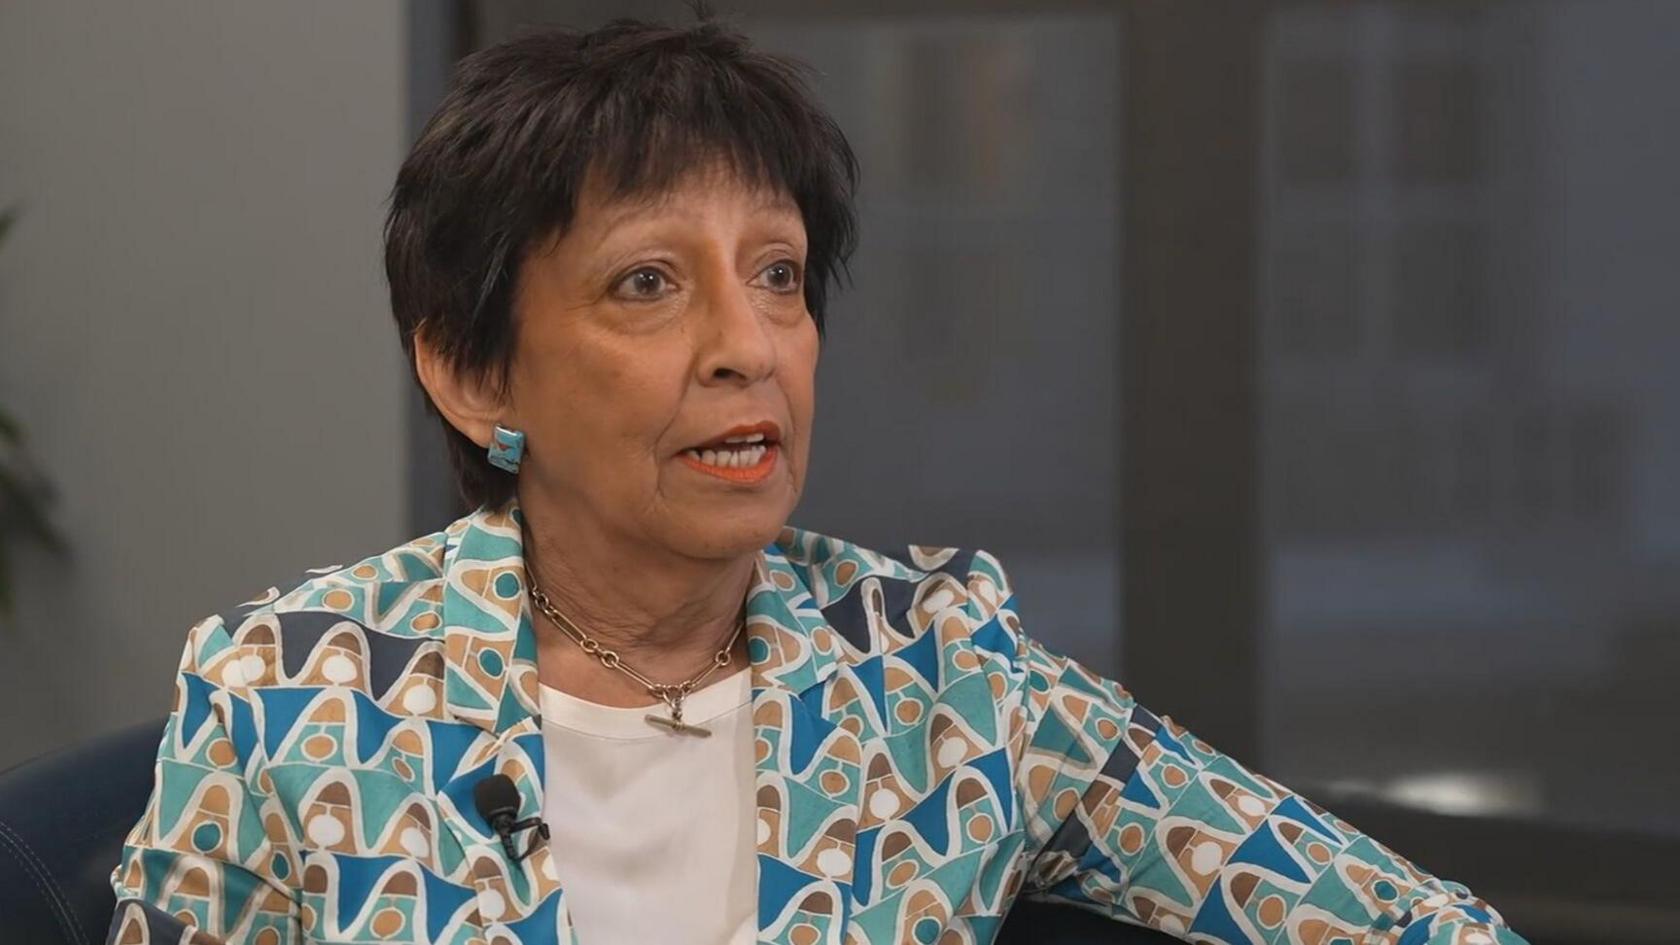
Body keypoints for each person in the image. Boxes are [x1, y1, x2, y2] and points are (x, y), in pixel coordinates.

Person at [107, 15, 1530, 945]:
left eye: (778, 276)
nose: (749, 347)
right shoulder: (286, 696)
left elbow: (1407, 922)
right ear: (476, 373)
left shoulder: (943, 669)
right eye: (650, 283)